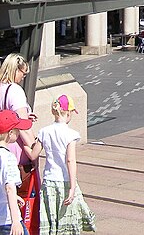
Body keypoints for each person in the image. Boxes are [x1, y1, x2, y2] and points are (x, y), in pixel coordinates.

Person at [33, 95, 96, 234]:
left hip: (49, 181)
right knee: (67, 219)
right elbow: (70, 160)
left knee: (51, 218)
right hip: (65, 180)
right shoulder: (70, 134)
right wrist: (73, 187)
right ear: (68, 112)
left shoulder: (44, 131)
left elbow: (33, 154)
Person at [0, 54, 38, 232]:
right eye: (23, 73)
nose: (24, 77)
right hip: (16, 155)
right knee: (18, 198)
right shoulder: (15, 90)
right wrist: (33, 149)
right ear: (16, 70)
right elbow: (21, 126)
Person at [0, 111, 28, 235]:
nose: (19, 132)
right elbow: (9, 187)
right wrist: (15, 221)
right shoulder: (9, 158)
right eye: (17, 129)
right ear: (10, 133)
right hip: (7, 219)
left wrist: (15, 196)